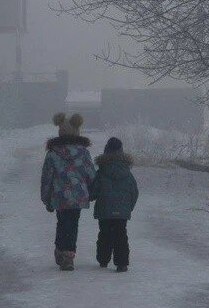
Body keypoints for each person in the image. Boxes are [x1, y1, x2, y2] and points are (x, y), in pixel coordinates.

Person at [40, 113, 96, 271]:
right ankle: (68, 256)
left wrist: (46, 198)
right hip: (78, 197)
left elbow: (47, 178)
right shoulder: (83, 153)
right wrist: (92, 192)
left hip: (59, 196)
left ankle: (60, 250)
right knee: (73, 224)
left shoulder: (52, 153)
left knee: (62, 222)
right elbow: (91, 174)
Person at [90, 137, 138, 272]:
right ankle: (122, 263)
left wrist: (90, 196)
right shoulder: (127, 173)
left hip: (105, 210)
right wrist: (128, 207)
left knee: (104, 234)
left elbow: (94, 190)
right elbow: (134, 192)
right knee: (121, 235)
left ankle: (103, 259)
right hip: (122, 211)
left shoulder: (101, 172)